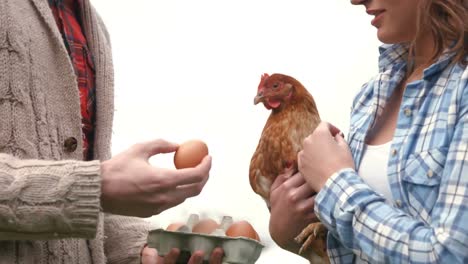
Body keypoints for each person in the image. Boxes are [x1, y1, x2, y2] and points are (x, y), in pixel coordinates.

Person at [0, 0, 222, 263]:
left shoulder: (91, 26)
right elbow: (86, 189)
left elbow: (83, 208)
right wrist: (99, 186)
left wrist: (140, 250)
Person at [293, 0, 467, 263]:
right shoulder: (371, 96)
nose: (355, 0)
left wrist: (334, 182)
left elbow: (449, 255)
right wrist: (289, 234)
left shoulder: (462, 90)